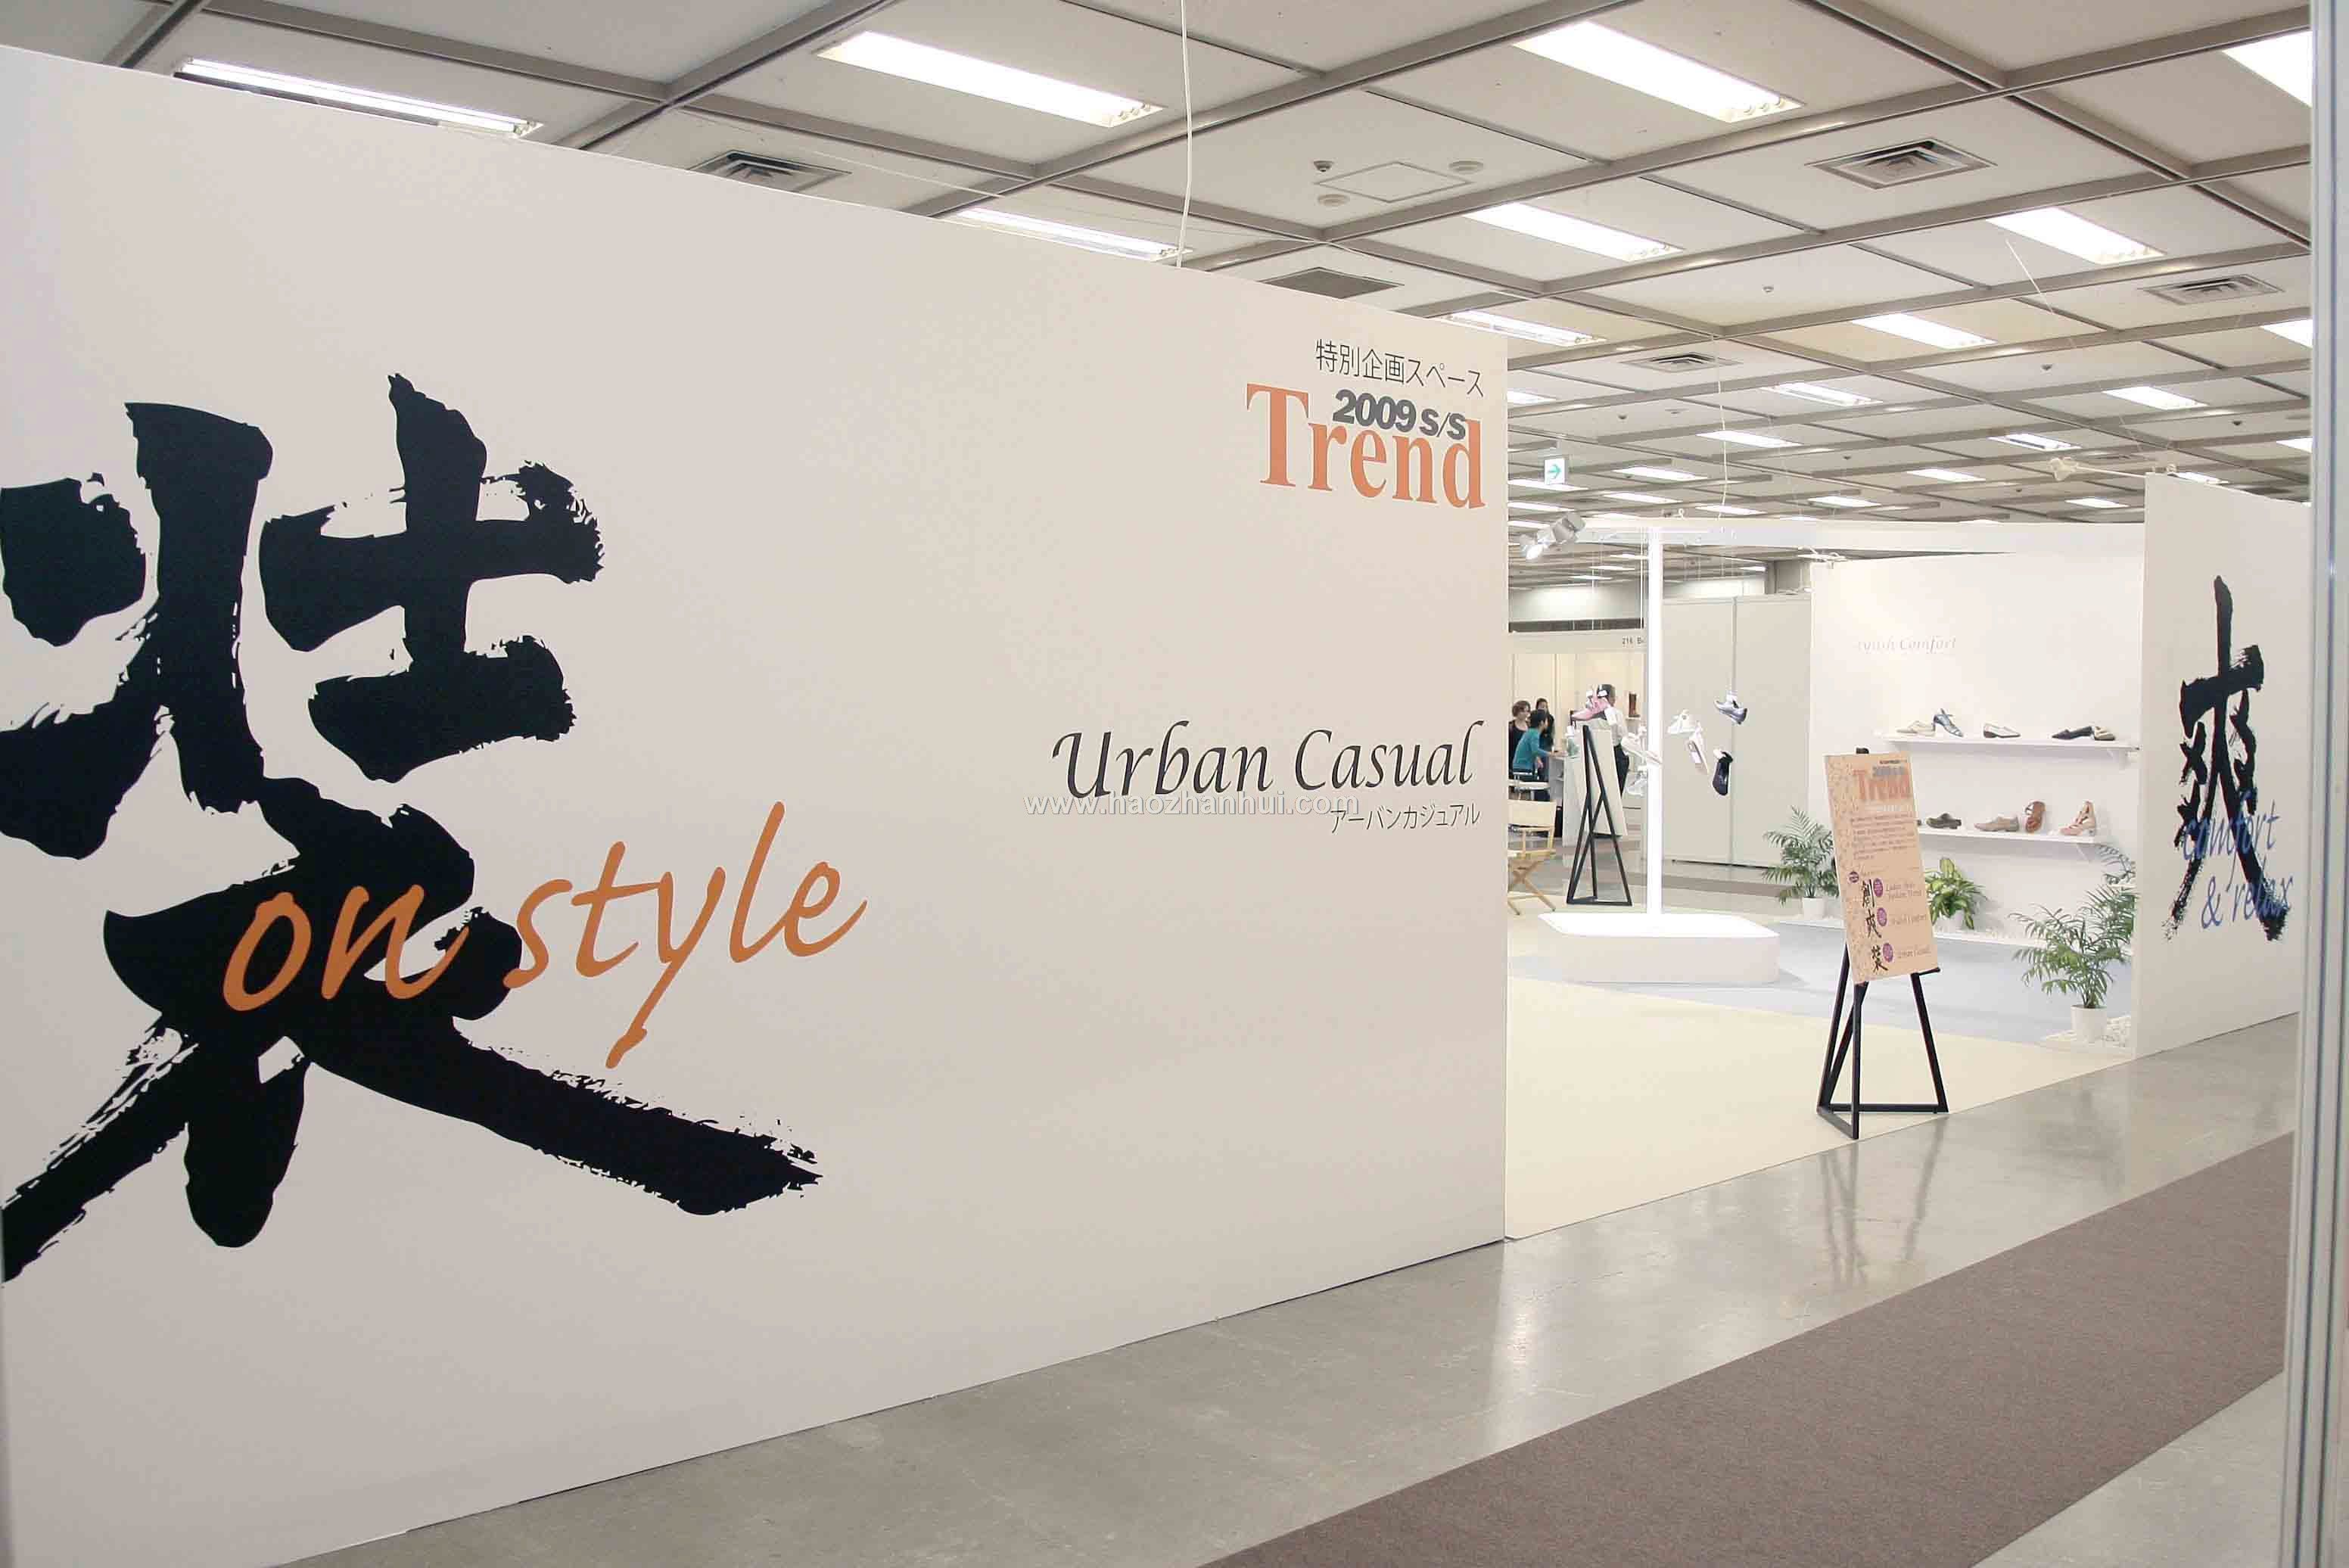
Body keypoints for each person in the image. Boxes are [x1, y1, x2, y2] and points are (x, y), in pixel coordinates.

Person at [1512, 710, 1551, 779]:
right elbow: (1535, 750)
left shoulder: (1530, 732)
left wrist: (1537, 759)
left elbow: (1531, 749)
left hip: (1518, 767)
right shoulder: (1535, 734)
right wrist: (1552, 754)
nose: (1548, 723)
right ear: (1542, 723)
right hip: (1524, 769)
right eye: (1547, 720)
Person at [1508, 700, 1531, 767]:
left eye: (1527, 711)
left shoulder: (1530, 726)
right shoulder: (1510, 726)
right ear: (1517, 711)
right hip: (1513, 761)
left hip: (1528, 762)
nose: (1525, 714)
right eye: (1523, 711)